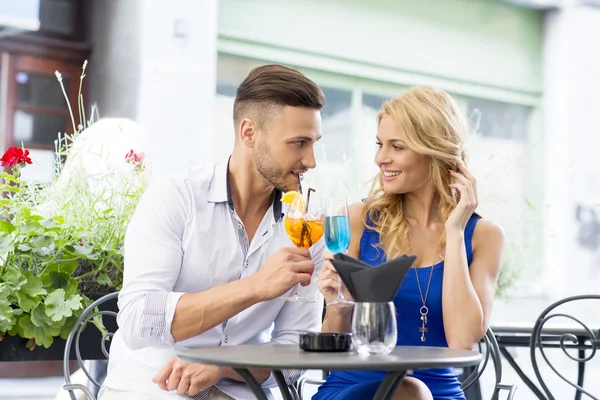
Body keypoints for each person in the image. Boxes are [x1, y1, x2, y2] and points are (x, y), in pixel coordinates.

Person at [100, 64, 327, 400]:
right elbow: (138, 317)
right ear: (249, 133)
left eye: (313, 144)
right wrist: (255, 287)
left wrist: (223, 365)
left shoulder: (306, 229)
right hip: (151, 387)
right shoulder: (177, 196)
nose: (311, 160)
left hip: (242, 390)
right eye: (298, 143)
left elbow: (297, 351)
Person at [315, 86, 505, 400]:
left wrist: (455, 232)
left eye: (396, 146)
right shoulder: (358, 219)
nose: (380, 158)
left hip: (440, 392)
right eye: (379, 144)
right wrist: (340, 303)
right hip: (353, 389)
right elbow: (332, 342)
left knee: (414, 392)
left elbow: (461, 342)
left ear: (434, 150)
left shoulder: (484, 236)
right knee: (410, 392)